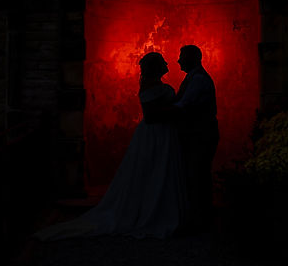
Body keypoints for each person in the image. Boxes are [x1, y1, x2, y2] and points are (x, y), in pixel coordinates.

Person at [34, 52, 188, 240]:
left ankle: (159, 206)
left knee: (158, 169)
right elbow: (150, 115)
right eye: (163, 61)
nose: (167, 63)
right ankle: (153, 210)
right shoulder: (153, 87)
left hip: (161, 134)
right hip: (155, 134)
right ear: (156, 67)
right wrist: (177, 109)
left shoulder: (156, 86)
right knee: (153, 169)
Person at [172, 45, 219, 233]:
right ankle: (201, 217)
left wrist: (159, 112)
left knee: (197, 174)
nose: (179, 60)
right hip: (199, 133)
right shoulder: (194, 78)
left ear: (194, 58)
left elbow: (184, 104)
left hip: (201, 134)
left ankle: (200, 220)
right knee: (198, 174)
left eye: (182, 56)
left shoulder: (198, 79)